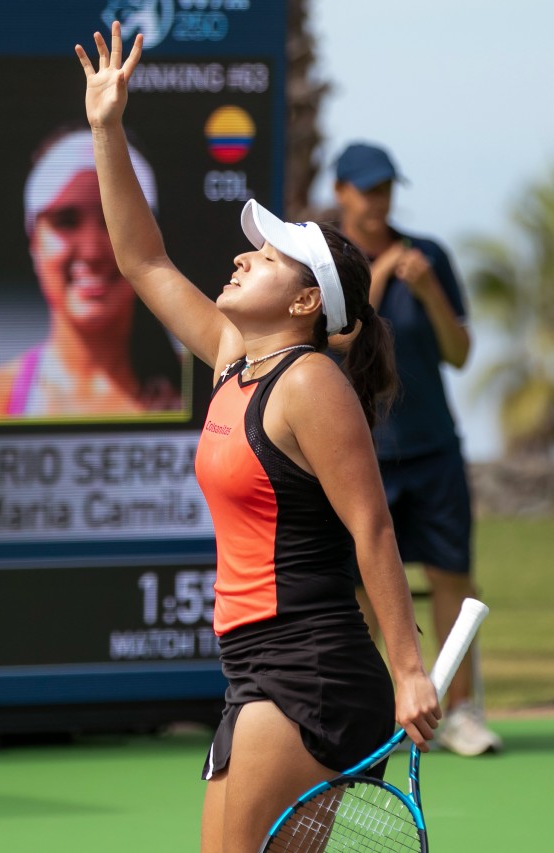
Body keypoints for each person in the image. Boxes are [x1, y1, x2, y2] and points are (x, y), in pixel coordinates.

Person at [77, 24, 441, 853]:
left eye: (269, 256)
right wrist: (108, 128)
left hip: (311, 663)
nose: (245, 258)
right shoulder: (234, 360)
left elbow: (371, 527)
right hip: (250, 668)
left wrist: (410, 666)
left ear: (308, 302)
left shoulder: (311, 383)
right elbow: (142, 260)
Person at [331, 141, 503, 757]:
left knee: (453, 574)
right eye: (367, 189)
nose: (378, 201)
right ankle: (375, 715)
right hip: (357, 454)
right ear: (341, 191)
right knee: (361, 590)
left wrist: (429, 291)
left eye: (386, 189)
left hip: (433, 449)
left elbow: (459, 353)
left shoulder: (429, 256)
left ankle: (462, 713)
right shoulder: (329, 262)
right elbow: (336, 344)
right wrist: (376, 279)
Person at [0, 125, 184, 422]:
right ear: (33, 240)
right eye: (66, 221)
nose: (91, 251)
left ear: (150, 236)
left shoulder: (206, 387)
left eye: (112, 220)